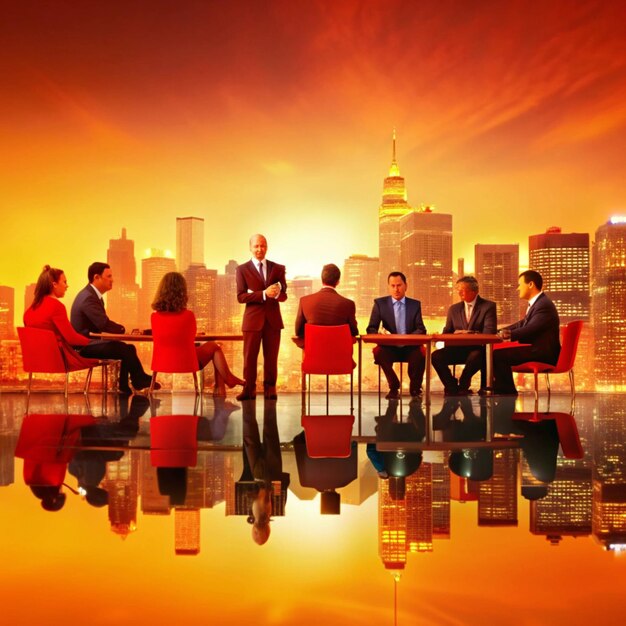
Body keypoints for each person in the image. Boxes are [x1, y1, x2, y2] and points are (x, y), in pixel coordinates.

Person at [151, 272, 244, 395]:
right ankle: (225, 384)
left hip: (162, 362)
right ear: (182, 292)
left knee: (213, 348)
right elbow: (190, 337)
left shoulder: (155, 317)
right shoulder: (188, 316)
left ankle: (224, 384)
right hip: (186, 362)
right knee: (214, 347)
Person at [70, 261, 155, 394]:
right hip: (85, 346)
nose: (112, 280)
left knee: (128, 348)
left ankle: (125, 385)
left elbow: (101, 324)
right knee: (123, 349)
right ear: (96, 277)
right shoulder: (88, 298)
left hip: (89, 342)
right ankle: (138, 380)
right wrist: (124, 330)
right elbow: (103, 324)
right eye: (109, 276)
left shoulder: (91, 296)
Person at [492, 270, 561, 395]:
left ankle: (506, 392)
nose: (518, 288)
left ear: (530, 284)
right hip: (537, 350)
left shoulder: (543, 305)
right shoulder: (538, 303)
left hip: (543, 353)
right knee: (496, 354)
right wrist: (500, 331)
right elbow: (522, 323)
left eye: (520, 284)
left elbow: (530, 329)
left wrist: (508, 335)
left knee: (498, 355)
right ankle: (502, 389)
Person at [236, 234, 287, 400]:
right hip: (252, 321)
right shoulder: (242, 269)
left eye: (263, 246)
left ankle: (270, 388)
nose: (260, 249)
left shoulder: (278, 268)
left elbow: (284, 296)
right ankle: (248, 389)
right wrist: (263, 294)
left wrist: (277, 293)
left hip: (273, 320)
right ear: (250, 248)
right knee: (249, 357)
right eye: (256, 246)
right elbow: (241, 297)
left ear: (267, 247)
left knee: (271, 357)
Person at [23, 265, 98, 370]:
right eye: (64, 282)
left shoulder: (28, 312)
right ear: (54, 285)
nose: (67, 286)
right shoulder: (56, 306)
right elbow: (72, 339)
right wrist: (92, 342)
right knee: (112, 350)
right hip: (58, 359)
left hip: (36, 359)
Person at [431, 276, 497, 395]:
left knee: (476, 356)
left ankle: (463, 383)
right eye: (458, 289)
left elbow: (490, 332)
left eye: (462, 290)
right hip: (456, 349)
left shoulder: (488, 306)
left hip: (477, 349)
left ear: (474, 291)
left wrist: (468, 333)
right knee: (436, 356)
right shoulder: (454, 309)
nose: (459, 292)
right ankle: (452, 386)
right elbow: (447, 332)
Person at [366, 271, 427, 399]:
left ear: (406, 286)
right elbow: (371, 329)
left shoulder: (415, 305)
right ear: (388, 287)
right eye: (392, 286)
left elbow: (421, 329)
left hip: (410, 347)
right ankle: (394, 386)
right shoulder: (380, 304)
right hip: (389, 347)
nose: (396, 289)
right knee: (379, 352)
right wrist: (381, 334)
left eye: (399, 285)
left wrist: (407, 338)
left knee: (420, 354)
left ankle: (415, 389)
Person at [294, 263, 359, 346]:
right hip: (340, 356)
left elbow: (298, 331)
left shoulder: (304, 301)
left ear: (322, 280)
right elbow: (354, 332)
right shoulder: (348, 304)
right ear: (338, 282)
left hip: (313, 356)